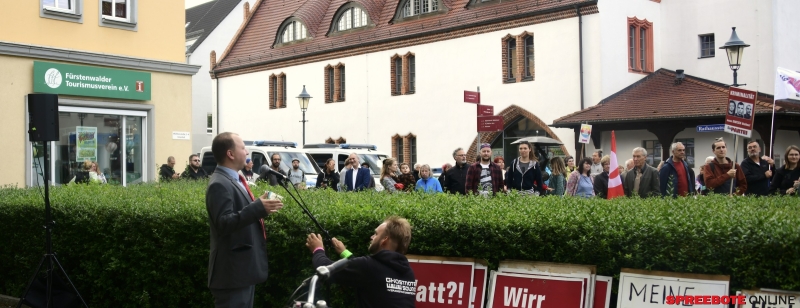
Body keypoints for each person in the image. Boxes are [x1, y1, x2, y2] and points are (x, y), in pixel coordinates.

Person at [205, 132, 284, 308]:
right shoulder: (219, 183)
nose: (247, 152)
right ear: (230, 154)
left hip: (242, 271)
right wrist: (257, 208)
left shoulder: (234, 179)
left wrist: (257, 203)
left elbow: (238, 213)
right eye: (242, 147)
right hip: (232, 274)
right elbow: (224, 223)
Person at [304, 216, 416, 308]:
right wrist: (344, 252)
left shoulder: (369, 267)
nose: (372, 237)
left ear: (384, 240)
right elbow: (369, 274)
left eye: (376, 234)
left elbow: (324, 268)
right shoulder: (408, 273)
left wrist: (317, 249)